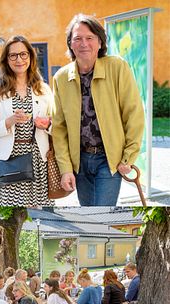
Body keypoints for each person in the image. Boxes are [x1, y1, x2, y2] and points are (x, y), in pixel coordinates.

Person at [52, 14, 145, 206]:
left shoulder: (117, 67)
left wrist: (128, 156)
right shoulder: (61, 78)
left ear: (100, 42)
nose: (83, 43)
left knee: (102, 211)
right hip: (79, 161)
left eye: (89, 38)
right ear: (70, 44)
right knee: (87, 211)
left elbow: (134, 113)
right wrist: (65, 168)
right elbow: (59, 128)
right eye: (77, 38)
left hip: (109, 160)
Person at [0, 35, 54, 206]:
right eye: (13, 55)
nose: (19, 59)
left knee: (39, 210)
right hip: (10, 161)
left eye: (23, 54)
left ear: (30, 57)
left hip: (39, 160)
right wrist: (9, 121)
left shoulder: (43, 89)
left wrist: (47, 124)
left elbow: (57, 123)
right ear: (6, 59)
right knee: (9, 207)